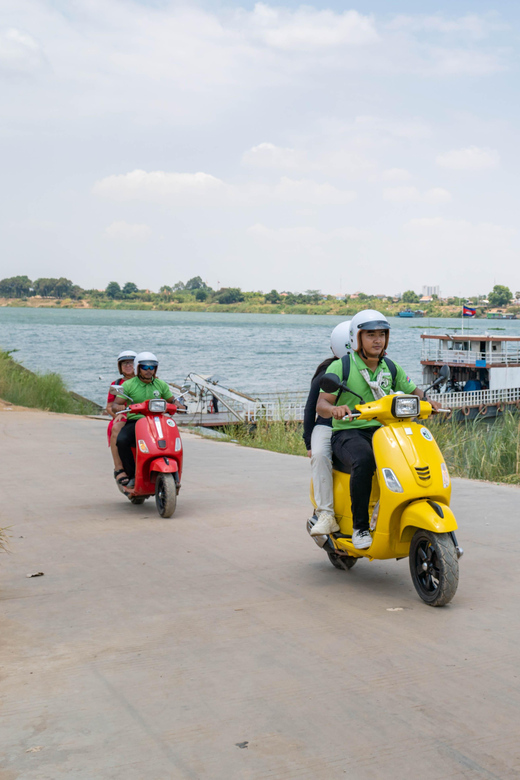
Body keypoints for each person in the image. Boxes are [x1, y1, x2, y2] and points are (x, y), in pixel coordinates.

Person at [316, 309, 441, 550]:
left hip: (384, 430)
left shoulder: (390, 367)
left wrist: (429, 400)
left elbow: (413, 390)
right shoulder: (341, 368)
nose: (377, 340)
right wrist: (335, 410)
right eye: (370, 334)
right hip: (348, 432)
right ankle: (360, 527)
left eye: (382, 334)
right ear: (356, 338)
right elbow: (322, 404)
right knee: (364, 459)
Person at [304, 321, 351, 537]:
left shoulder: (372, 369)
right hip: (327, 426)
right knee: (321, 455)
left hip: (357, 425)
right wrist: (308, 442)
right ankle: (326, 514)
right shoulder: (328, 370)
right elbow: (312, 406)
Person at [112, 351, 174, 489]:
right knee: (122, 440)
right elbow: (115, 404)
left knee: (171, 441)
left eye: (152, 367)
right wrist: (119, 407)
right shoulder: (128, 385)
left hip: (157, 421)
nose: (148, 370)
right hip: (136, 422)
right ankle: (132, 474)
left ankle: (170, 470)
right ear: (138, 367)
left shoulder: (161, 384)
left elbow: (172, 400)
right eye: (145, 367)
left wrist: (180, 404)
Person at [107, 350, 136, 488]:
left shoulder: (149, 381)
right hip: (124, 416)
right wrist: (118, 415)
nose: (128, 365)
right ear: (120, 366)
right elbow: (109, 406)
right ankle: (119, 468)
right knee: (116, 427)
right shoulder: (117, 384)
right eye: (125, 363)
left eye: (131, 362)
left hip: (144, 416)